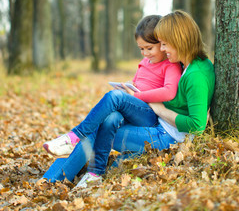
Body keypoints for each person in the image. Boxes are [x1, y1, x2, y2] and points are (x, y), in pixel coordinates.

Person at [42, 15, 182, 187]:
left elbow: (169, 92)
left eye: (149, 48)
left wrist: (133, 96)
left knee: (113, 97)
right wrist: (129, 88)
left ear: (162, 43)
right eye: (141, 49)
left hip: (150, 115)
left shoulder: (170, 64)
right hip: (135, 109)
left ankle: (75, 136)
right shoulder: (145, 62)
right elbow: (139, 82)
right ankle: (90, 173)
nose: (145, 53)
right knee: (109, 119)